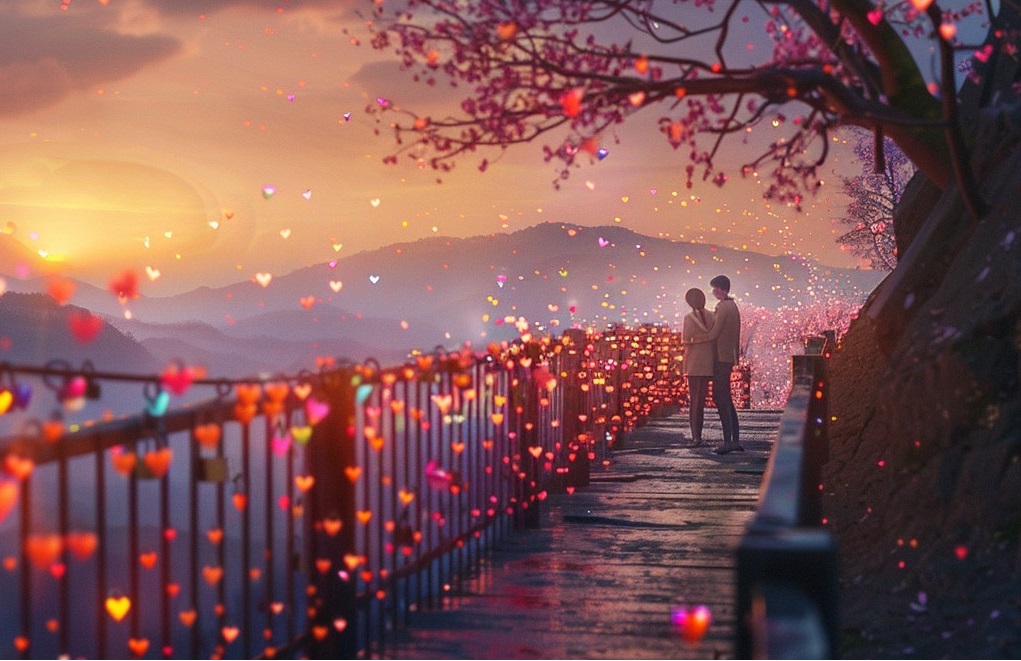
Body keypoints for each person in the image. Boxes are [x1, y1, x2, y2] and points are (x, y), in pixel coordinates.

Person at [691, 275, 742, 454]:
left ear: (721, 289)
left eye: (714, 288)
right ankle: (734, 439)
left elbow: (714, 333)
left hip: (721, 357)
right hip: (729, 356)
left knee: (720, 397)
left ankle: (728, 441)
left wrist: (695, 339)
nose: (713, 292)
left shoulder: (724, 307)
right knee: (726, 397)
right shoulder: (733, 306)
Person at [681, 288, 715, 446]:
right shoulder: (712, 316)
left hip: (694, 365)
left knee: (694, 401)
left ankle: (696, 436)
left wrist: (683, 367)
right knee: (700, 400)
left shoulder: (688, 319)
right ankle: (698, 435)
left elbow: (687, 340)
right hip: (708, 363)